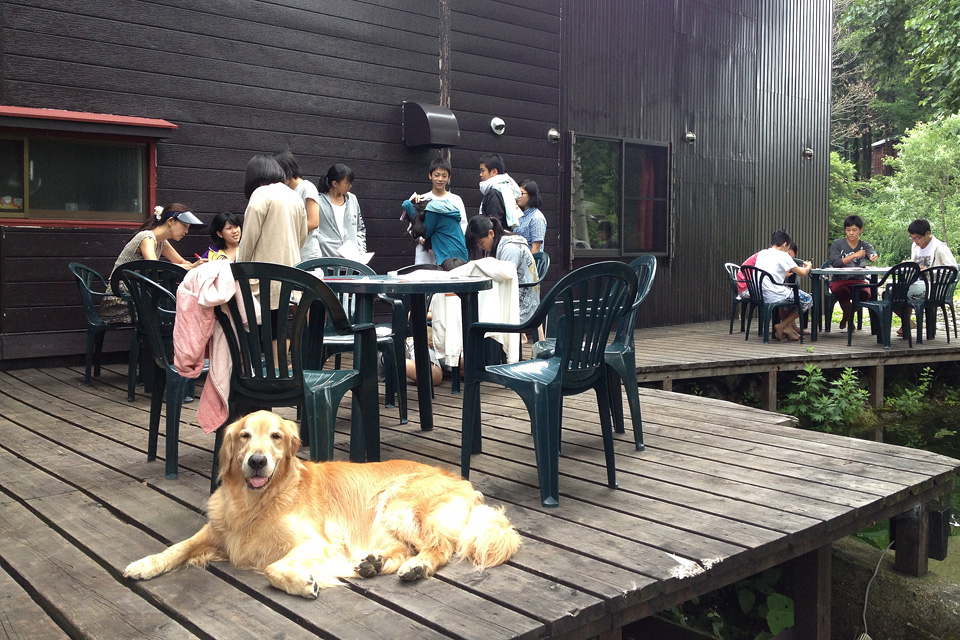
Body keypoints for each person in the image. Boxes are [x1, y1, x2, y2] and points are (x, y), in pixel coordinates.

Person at [236, 154, 307, 333]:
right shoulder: (294, 196)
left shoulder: (261, 194)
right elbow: (302, 236)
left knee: (261, 329)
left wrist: (239, 268)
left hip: (263, 277)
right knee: (278, 327)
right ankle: (278, 353)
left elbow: (249, 238)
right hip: (290, 274)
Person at [101, 203, 207, 322]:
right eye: (184, 226)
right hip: (122, 297)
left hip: (139, 295)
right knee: (170, 313)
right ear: (170, 221)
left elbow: (181, 261)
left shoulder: (161, 241)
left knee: (171, 310)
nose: (186, 231)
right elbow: (154, 265)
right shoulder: (146, 237)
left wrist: (196, 266)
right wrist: (190, 267)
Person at [465, 215, 539, 323]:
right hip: (517, 295)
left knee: (481, 314)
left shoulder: (510, 248)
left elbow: (506, 280)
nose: (480, 247)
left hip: (522, 305)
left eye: (480, 242)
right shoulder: (502, 241)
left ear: (491, 233)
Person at [898, 218, 959, 335]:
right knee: (890, 293)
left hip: (934, 286)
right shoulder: (915, 246)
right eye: (912, 238)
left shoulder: (940, 248)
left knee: (898, 293)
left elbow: (952, 269)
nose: (915, 241)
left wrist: (928, 271)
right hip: (916, 283)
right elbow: (915, 263)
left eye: (917, 238)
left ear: (927, 233)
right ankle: (907, 322)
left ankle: (907, 323)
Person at [753, 230, 813, 341]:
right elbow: (803, 273)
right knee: (808, 299)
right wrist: (808, 266)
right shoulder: (783, 255)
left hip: (760, 294)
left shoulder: (762, 253)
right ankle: (782, 325)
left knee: (787, 294)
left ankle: (788, 329)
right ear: (785, 244)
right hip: (775, 295)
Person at [410, 156, 467, 265]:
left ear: (449, 177)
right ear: (430, 175)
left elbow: (463, 226)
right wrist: (422, 239)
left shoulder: (456, 200)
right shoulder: (422, 199)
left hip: (449, 255)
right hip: (426, 256)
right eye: (437, 175)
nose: (440, 179)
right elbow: (412, 227)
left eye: (444, 176)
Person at [827, 215, 878, 330]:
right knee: (842, 292)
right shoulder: (837, 244)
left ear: (860, 230)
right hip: (839, 280)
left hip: (858, 280)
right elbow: (836, 263)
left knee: (865, 294)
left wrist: (873, 256)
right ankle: (849, 318)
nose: (851, 233)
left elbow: (871, 252)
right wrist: (855, 255)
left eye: (854, 230)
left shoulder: (864, 245)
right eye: (848, 230)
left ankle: (846, 317)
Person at [273, 151, 321, 262]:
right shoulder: (283, 191)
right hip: (290, 252)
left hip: (308, 253)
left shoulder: (307, 187)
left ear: (286, 169)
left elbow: (314, 222)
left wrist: (288, 230)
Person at [315, 163, 367, 260]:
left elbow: (360, 228)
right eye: (347, 183)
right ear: (335, 184)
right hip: (328, 260)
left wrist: (361, 250)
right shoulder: (319, 201)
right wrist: (323, 243)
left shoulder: (352, 199)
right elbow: (314, 232)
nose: (350, 186)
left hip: (353, 261)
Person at [401, 198, 468, 270]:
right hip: (460, 252)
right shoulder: (443, 207)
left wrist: (415, 218)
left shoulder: (432, 211)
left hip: (448, 255)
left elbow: (425, 233)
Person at [478, 153, 523, 229]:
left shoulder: (494, 193)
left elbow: (494, 224)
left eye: (482, 171)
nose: (480, 174)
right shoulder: (506, 189)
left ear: (494, 172)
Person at [513, 179, 547, 254]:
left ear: (531, 195)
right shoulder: (518, 214)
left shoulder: (537, 218)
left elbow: (536, 249)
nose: (518, 196)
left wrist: (529, 261)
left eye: (521, 193)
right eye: (517, 193)